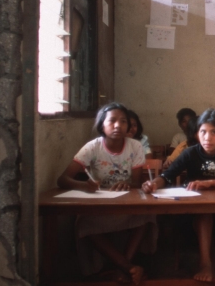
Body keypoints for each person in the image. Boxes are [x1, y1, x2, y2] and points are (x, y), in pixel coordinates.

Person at [57, 102, 156, 285]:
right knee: (83, 223)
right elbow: (62, 180)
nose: (118, 125)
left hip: (127, 204)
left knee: (147, 215)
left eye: (123, 121)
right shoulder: (92, 147)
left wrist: (127, 184)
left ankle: (122, 268)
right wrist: (84, 185)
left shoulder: (134, 146)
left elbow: (136, 182)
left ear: (128, 126)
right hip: (101, 205)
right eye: (112, 121)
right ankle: (128, 268)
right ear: (102, 124)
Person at [143, 108, 215, 282]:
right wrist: (153, 184)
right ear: (197, 134)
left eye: (214, 132)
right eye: (203, 131)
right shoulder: (190, 153)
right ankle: (206, 263)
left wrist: (210, 183)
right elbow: (167, 176)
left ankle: (206, 263)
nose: (207, 137)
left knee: (207, 212)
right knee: (202, 212)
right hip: (190, 211)